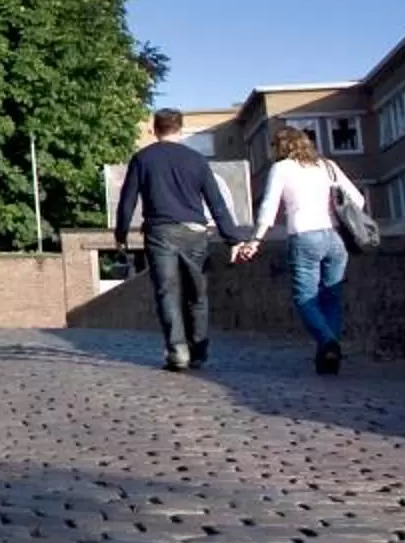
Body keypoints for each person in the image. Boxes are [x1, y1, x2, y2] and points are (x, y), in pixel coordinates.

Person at [115, 108, 251, 372]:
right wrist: (232, 239)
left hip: (160, 232)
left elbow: (127, 200)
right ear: (180, 129)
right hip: (195, 232)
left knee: (167, 292)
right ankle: (199, 350)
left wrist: (121, 234)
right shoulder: (197, 160)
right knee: (196, 294)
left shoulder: (143, 158)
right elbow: (216, 202)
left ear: (154, 128)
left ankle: (177, 350)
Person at [236, 123, 366, 374]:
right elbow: (358, 200)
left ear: (280, 148)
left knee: (305, 297)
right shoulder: (328, 166)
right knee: (332, 297)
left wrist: (255, 240)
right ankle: (328, 354)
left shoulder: (282, 168)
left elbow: (269, 206)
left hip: (304, 236)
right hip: (336, 237)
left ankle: (328, 342)